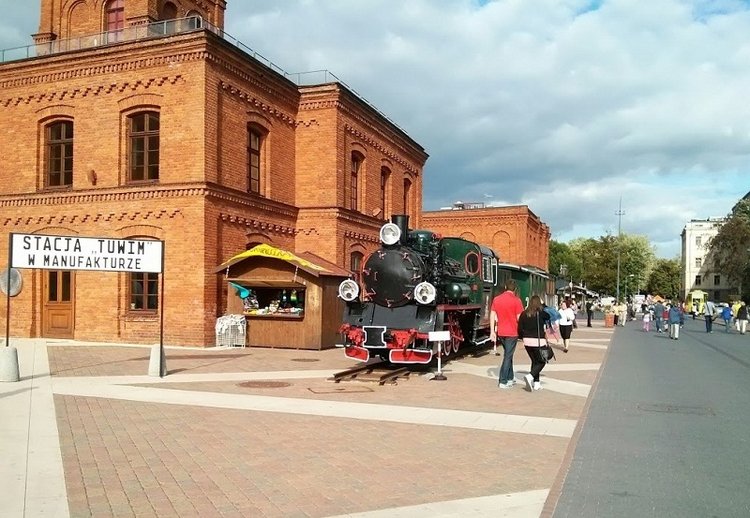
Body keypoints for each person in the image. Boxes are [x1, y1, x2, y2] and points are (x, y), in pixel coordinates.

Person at [490, 279, 524, 389]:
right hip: (512, 332)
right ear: (515, 289)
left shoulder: (497, 299)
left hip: (501, 331)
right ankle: (503, 380)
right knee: (508, 356)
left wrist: (492, 331)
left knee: (509, 355)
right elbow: (520, 318)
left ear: (505, 286)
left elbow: (492, 315)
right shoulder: (517, 301)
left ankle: (510, 378)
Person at [517, 295, 551, 391]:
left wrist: (521, 337)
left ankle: (536, 383)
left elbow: (519, 328)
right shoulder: (541, 313)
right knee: (542, 361)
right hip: (538, 341)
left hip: (527, 341)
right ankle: (530, 376)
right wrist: (543, 305)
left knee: (534, 361)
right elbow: (548, 316)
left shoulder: (524, 313)